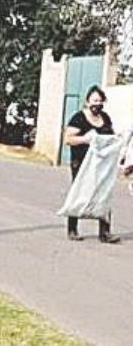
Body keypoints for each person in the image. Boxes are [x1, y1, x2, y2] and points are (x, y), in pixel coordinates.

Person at [63, 86, 119, 243]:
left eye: (100, 101)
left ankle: (105, 232)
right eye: (94, 100)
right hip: (81, 162)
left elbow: (111, 137)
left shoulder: (105, 118)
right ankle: (72, 229)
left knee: (104, 194)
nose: (97, 104)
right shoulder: (78, 118)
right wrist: (85, 139)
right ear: (87, 101)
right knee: (80, 193)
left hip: (101, 163)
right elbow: (68, 139)